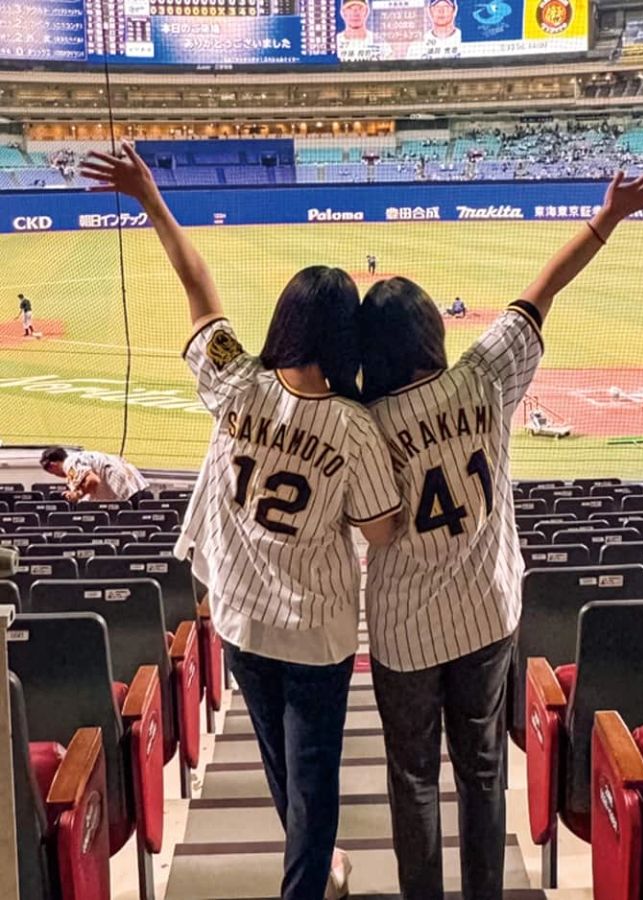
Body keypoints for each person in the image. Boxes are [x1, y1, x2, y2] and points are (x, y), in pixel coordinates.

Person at [80, 142, 401, 900]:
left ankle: (318, 867)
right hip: (317, 632)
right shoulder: (354, 428)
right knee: (313, 777)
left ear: (286, 321)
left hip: (242, 621)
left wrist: (152, 200)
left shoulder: (236, 381)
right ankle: (310, 880)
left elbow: (200, 289)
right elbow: (381, 531)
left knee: (282, 767)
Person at [358, 170, 643, 900]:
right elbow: (542, 291)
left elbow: (368, 526)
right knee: (483, 771)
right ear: (432, 331)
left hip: (403, 632)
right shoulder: (484, 375)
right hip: (486, 614)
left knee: (412, 779)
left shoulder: (364, 424)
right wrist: (607, 217)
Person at [39, 446, 149, 503]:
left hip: (124, 490)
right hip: (135, 485)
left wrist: (77, 494)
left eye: (52, 473)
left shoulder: (69, 464)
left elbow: (93, 480)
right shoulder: (80, 457)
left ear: (53, 466)